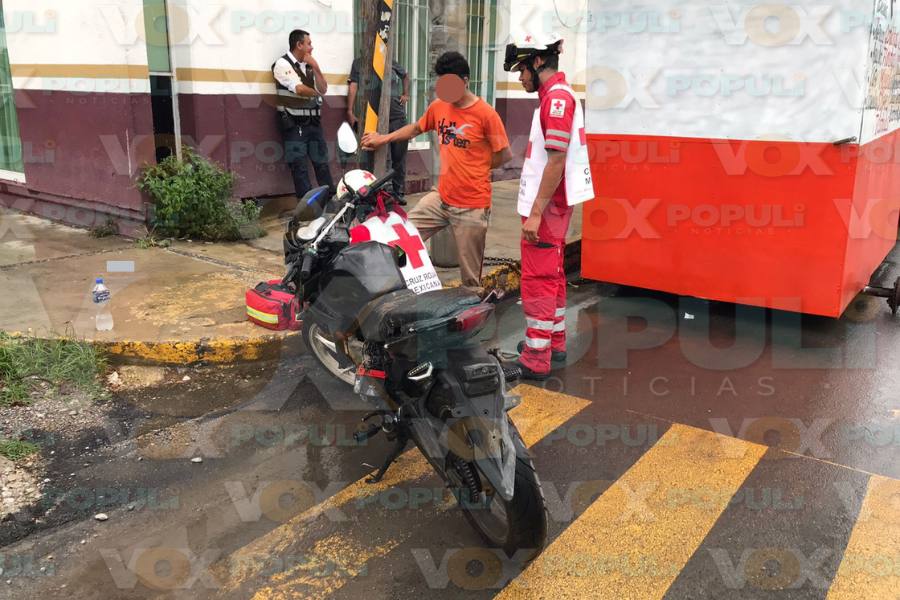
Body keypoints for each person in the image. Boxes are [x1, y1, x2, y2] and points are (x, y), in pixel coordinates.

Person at [362, 51, 512, 291]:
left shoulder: (486, 114)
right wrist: (383, 138)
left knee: (471, 281)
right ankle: (399, 283)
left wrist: (476, 167)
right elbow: (415, 129)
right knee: (401, 237)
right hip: (440, 197)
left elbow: (504, 154)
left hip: (472, 206)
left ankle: (472, 310)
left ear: (465, 81)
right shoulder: (439, 107)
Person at [504, 33, 595, 380]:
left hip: (547, 209)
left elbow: (555, 161)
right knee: (552, 275)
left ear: (538, 61)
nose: (520, 77)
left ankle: (536, 356)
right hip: (554, 207)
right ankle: (553, 343)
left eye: (522, 69)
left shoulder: (556, 100)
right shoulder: (558, 96)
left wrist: (536, 213)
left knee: (538, 280)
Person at [272, 29, 335, 198]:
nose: (311, 48)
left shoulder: (309, 66)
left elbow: (323, 88)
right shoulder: (282, 64)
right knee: (299, 168)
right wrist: (317, 94)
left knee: (322, 164)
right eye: (309, 44)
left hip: (313, 123)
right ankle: (307, 207)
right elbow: (299, 89)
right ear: (299, 45)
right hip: (294, 125)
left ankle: (330, 201)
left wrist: (316, 67)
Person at [347, 57, 410, 204]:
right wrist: (349, 110)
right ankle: (382, 195)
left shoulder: (389, 59)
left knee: (399, 158)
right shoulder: (359, 62)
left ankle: (398, 193)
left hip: (397, 117)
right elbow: (353, 85)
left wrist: (405, 94)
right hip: (374, 119)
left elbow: (405, 75)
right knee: (380, 158)